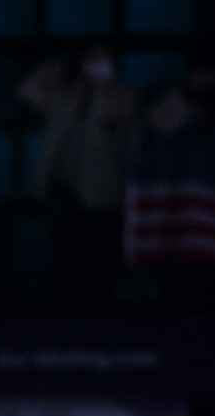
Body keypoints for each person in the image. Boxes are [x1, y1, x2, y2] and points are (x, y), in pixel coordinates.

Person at [15, 40, 139, 310]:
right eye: (93, 59)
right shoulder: (65, 95)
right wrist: (61, 65)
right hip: (65, 187)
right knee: (65, 263)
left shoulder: (124, 96)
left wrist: (101, 90)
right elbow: (27, 90)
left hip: (103, 192)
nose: (99, 64)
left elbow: (120, 136)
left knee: (100, 265)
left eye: (104, 59)